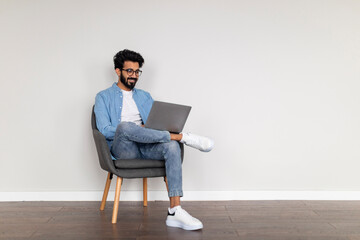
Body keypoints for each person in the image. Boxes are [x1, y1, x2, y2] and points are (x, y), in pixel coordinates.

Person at [94, 49, 214, 231]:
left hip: (147, 145)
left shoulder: (145, 96)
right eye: (129, 71)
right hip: (124, 149)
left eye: (137, 72)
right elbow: (104, 130)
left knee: (172, 147)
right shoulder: (103, 97)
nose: (134, 76)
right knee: (124, 127)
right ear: (118, 71)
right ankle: (183, 137)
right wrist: (135, 129)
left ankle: (175, 210)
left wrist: (154, 129)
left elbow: (156, 124)